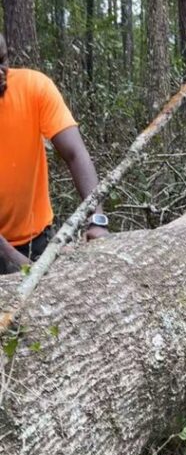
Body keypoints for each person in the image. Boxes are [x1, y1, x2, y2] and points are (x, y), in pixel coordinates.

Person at [0, 33, 109, 275]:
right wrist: (17, 262)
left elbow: (74, 153)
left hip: (37, 238)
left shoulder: (34, 87)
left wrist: (97, 219)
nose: (0, 72)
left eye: (2, 60)